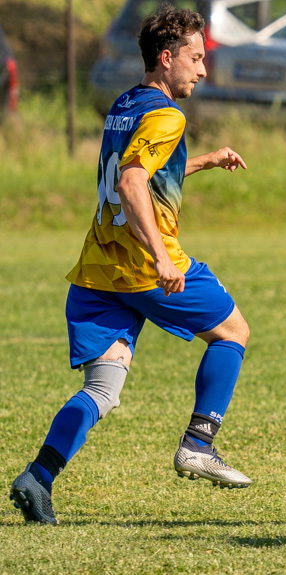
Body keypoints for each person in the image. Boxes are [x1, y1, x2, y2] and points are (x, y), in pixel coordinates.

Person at [9, 5, 252, 525]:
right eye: (195, 58)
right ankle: (198, 444)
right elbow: (132, 182)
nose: (203, 69)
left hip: (98, 269)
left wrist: (205, 160)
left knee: (102, 391)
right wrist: (163, 259)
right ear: (167, 59)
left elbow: (139, 168)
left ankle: (38, 477)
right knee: (233, 331)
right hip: (145, 267)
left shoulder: (125, 104)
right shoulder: (168, 115)